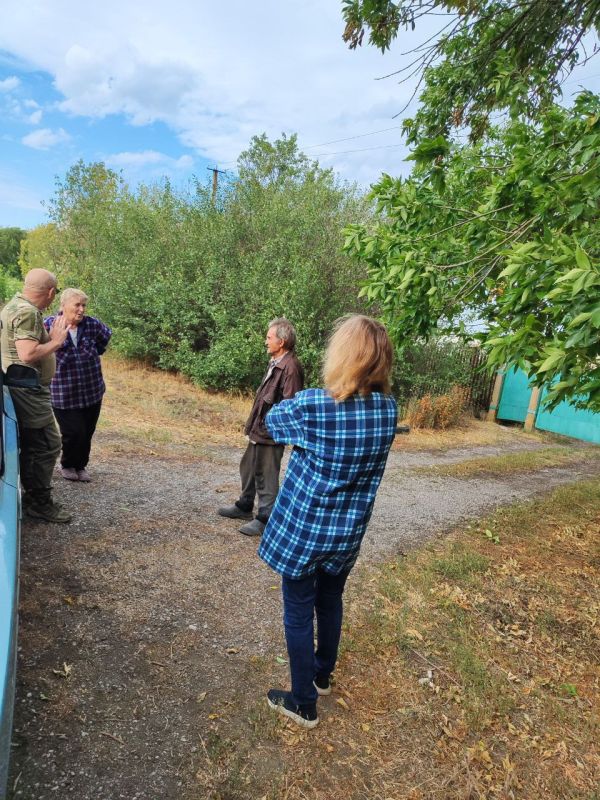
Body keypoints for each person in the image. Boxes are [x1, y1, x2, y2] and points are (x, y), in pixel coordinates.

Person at [258, 314, 397, 729]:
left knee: (298, 610)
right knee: (330, 599)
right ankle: (321, 676)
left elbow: (273, 421)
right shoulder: (388, 409)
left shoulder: (317, 405)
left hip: (306, 530)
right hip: (347, 532)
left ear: (343, 356)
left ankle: (303, 702)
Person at [218, 318, 304, 537]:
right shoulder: (276, 361)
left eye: (269, 337)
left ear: (281, 341)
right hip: (259, 429)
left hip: (271, 434)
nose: (265, 341)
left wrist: (274, 431)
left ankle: (266, 519)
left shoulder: (291, 367)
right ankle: (245, 506)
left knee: (267, 477)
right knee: (247, 468)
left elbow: (290, 405)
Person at [0, 269, 72, 523]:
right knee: (46, 445)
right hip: (28, 392)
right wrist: (56, 341)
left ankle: (31, 497)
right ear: (51, 292)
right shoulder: (27, 312)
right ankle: (38, 503)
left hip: (21, 388)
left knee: (33, 446)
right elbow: (28, 354)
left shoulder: (13, 305)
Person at [44, 288, 112, 482]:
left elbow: (104, 340)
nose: (81, 309)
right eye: (77, 305)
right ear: (63, 305)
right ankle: (67, 464)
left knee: (87, 432)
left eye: (84, 305)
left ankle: (81, 466)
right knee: (73, 432)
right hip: (63, 392)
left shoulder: (92, 324)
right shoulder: (48, 325)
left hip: (91, 390)